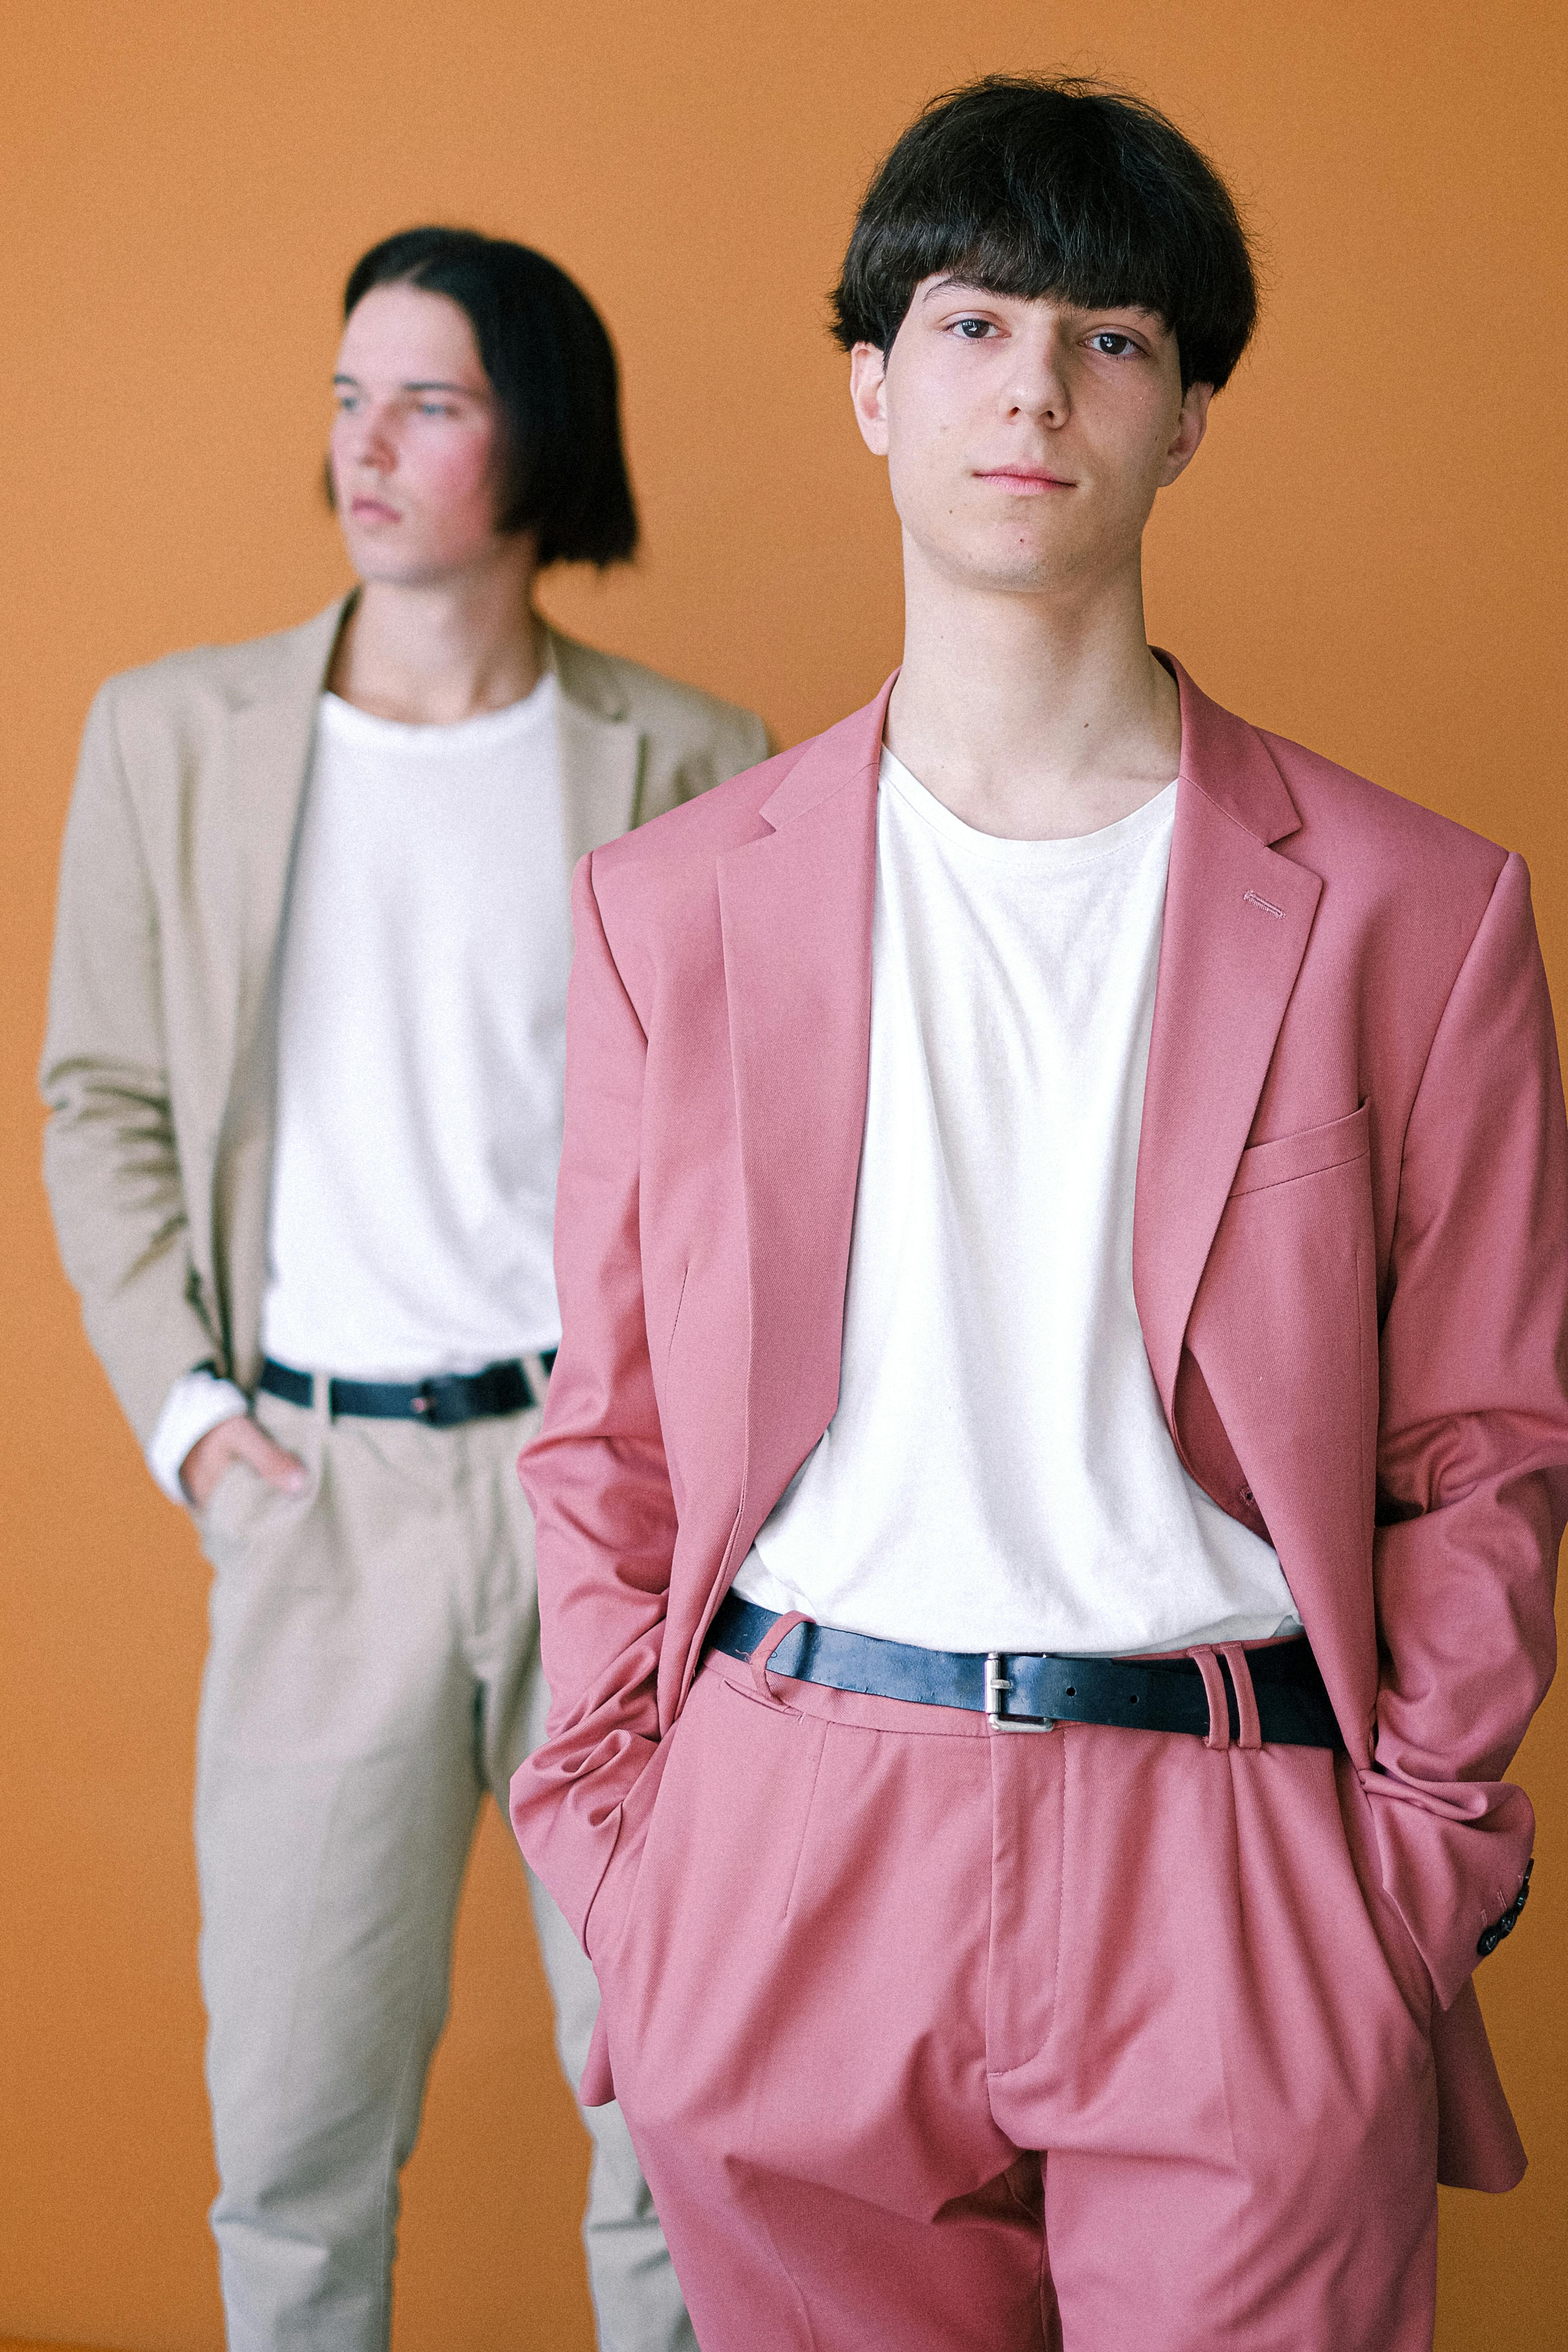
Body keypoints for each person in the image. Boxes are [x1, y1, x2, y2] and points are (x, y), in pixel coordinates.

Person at [509, 78, 1566, 2352]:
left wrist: (1409, 1866)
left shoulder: (1414, 908)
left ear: (1184, 414)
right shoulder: (669, 912)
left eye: (1107, 338)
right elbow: (605, 1436)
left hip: (1236, 1837)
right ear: (873, 386)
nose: (1033, 386)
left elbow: (1486, 1446)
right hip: (789, 1829)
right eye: (975, 324)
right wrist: (623, 1847)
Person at [42, 224, 767, 2352]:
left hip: (609, 1505)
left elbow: (767, 1161)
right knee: (291, 2128)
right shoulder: (177, 734)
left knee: (676, 2118)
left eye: (428, 399)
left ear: (536, 433)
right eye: (347, 392)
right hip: (320, 1489)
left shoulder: (700, 759)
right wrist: (193, 1421)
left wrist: (711, 1475)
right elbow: (97, 1096)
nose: (365, 441)